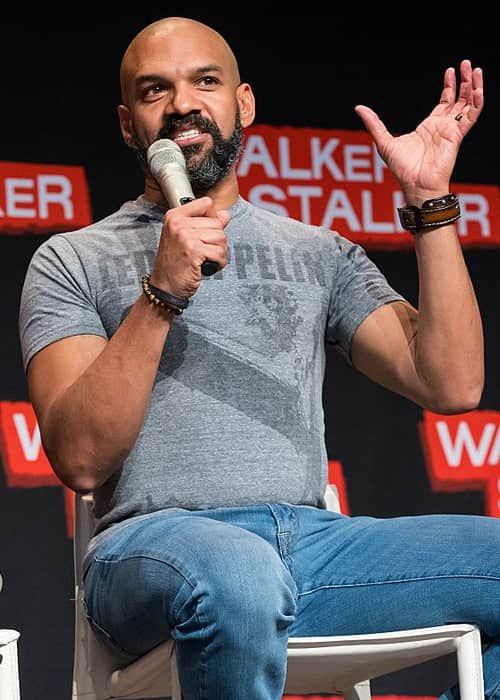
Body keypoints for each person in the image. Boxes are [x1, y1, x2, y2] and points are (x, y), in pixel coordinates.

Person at [18, 16, 499, 700]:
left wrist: (429, 203)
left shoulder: (318, 252)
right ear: (130, 126)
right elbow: (81, 457)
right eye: (157, 90)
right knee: (239, 573)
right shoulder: (71, 260)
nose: (183, 103)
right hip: (151, 551)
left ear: (242, 104)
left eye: (204, 81)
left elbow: (451, 382)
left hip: (312, 549)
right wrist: (161, 293)